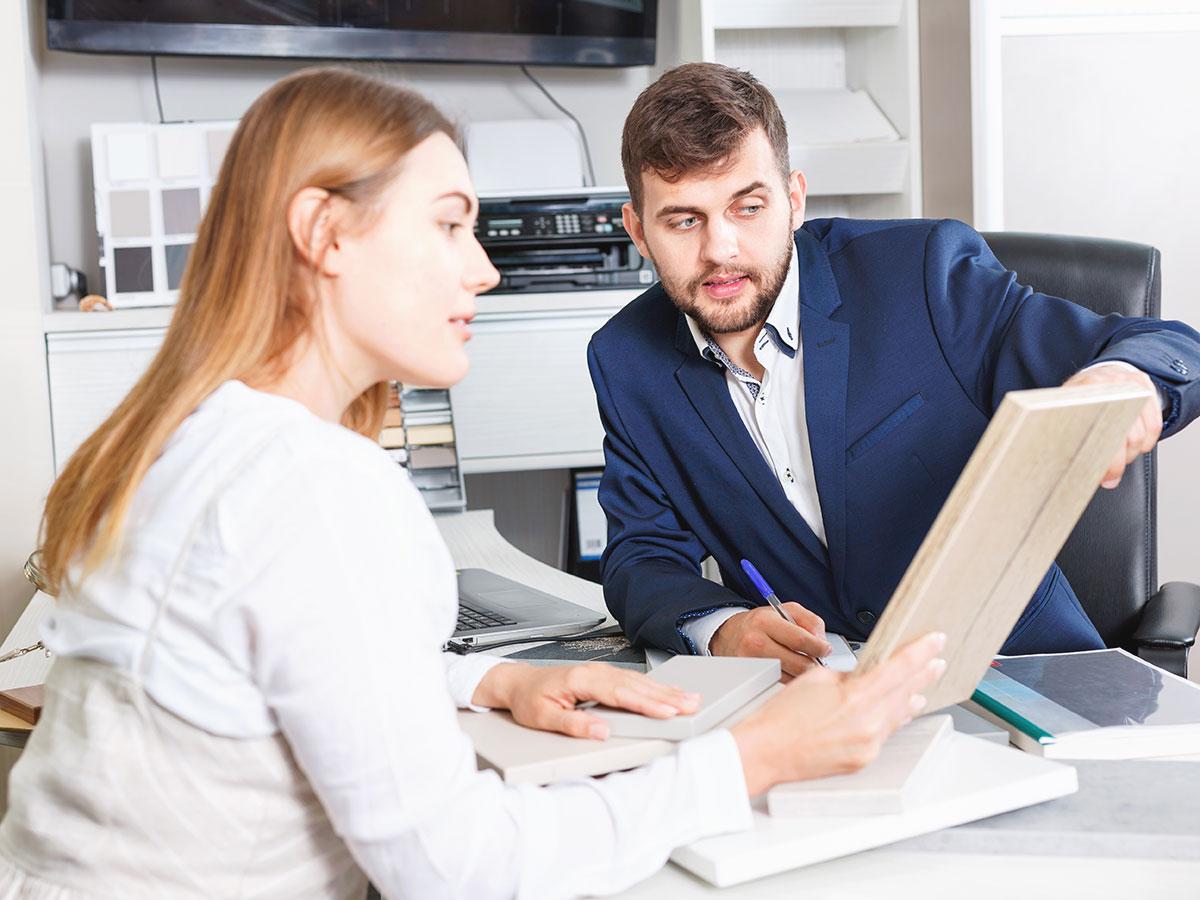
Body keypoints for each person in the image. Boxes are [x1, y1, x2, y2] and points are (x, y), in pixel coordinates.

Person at [0, 69, 945, 899]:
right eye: (450, 225)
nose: (484, 270)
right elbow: (458, 870)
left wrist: (486, 678)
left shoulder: (203, 437)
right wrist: (751, 759)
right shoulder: (316, 488)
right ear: (325, 234)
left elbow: (272, 662)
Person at [588, 62, 1200, 674]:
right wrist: (723, 628)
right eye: (684, 220)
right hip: (821, 697)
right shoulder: (627, 359)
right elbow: (642, 556)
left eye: (748, 208)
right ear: (638, 230)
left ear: (794, 200)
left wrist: (1125, 379)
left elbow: (1165, 345)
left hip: (1023, 672)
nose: (720, 250)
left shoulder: (922, 275)